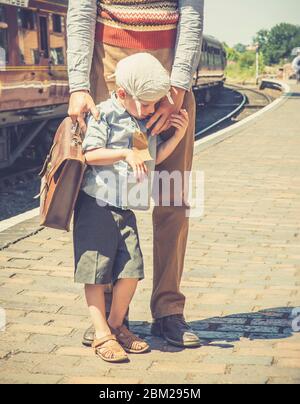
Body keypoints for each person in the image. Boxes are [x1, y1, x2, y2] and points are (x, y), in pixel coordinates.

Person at [67, 0, 204, 348]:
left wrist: (178, 85)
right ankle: (113, 312)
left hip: (170, 75)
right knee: (105, 198)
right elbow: (82, 8)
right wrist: (78, 84)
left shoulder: (173, 87)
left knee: (173, 196)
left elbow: (192, 11)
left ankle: (169, 309)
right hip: (111, 66)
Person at [73, 53, 189, 363]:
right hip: (97, 204)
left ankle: (115, 326)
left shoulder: (142, 120)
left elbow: (153, 159)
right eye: (148, 103)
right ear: (122, 93)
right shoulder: (104, 114)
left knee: (131, 271)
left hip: (125, 208)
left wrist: (177, 134)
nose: (154, 109)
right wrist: (125, 154)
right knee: (96, 274)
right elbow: (90, 154)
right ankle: (101, 335)